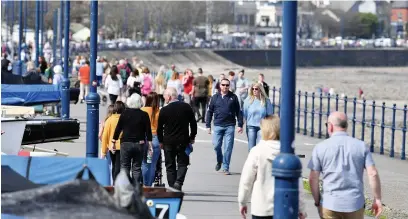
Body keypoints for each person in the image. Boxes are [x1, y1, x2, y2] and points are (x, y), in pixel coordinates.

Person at [308, 111, 383, 219]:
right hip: (354, 203)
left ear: (330, 126)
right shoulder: (361, 146)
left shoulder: (320, 147)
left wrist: (317, 201)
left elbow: (313, 178)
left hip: (330, 203)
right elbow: (373, 174)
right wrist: (377, 199)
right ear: (346, 126)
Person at [238, 115, 307, 219]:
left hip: (261, 207)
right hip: (285, 207)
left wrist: (242, 202)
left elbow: (246, 180)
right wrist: (301, 208)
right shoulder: (289, 153)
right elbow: (298, 184)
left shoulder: (257, 151)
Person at [157, 88, 197, 191]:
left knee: (170, 165)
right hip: (183, 140)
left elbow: (159, 128)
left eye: (164, 96)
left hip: (168, 141)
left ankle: (172, 187)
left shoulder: (164, 110)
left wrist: (160, 141)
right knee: (183, 163)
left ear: (169, 97)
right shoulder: (186, 107)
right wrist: (192, 137)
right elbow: (193, 124)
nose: (164, 98)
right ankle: (178, 182)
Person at [111, 93, 152, 186]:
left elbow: (118, 128)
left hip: (125, 143)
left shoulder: (125, 113)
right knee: (137, 167)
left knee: (124, 166)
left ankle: (125, 187)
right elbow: (148, 131)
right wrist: (149, 144)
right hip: (139, 143)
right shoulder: (144, 115)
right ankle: (136, 188)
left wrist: (113, 141)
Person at [206, 78, 243, 175]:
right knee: (216, 145)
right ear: (220, 86)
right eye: (223, 85)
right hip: (218, 125)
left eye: (227, 85)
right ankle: (220, 160)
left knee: (228, 148)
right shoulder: (215, 97)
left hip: (230, 126)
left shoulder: (233, 97)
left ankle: (226, 167)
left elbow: (238, 112)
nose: (225, 87)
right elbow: (209, 112)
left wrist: (240, 124)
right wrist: (208, 125)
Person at [243, 83, 273, 151]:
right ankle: (252, 161)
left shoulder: (266, 101)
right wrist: (240, 125)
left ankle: (259, 161)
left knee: (260, 148)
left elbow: (270, 115)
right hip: (250, 127)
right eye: (252, 89)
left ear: (260, 90)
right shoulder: (248, 100)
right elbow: (244, 114)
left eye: (256, 89)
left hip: (262, 127)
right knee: (251, 148)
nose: (254, 90)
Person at [101, 101, 126, 182]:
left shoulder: (109, 120)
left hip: (112, 147)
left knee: (114, 165)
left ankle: (115, 183)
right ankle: (118, 183)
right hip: (123, 146)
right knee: (120, 166)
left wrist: (104, 151)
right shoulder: (126, 119)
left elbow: (105, 136)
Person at [141, 92, 161, 186]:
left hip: (145, 139)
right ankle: (149, 185)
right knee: (152, 164)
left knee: (145, 163)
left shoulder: (142, 110)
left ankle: (144, 183)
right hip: (155, 139)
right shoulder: (158, 111)